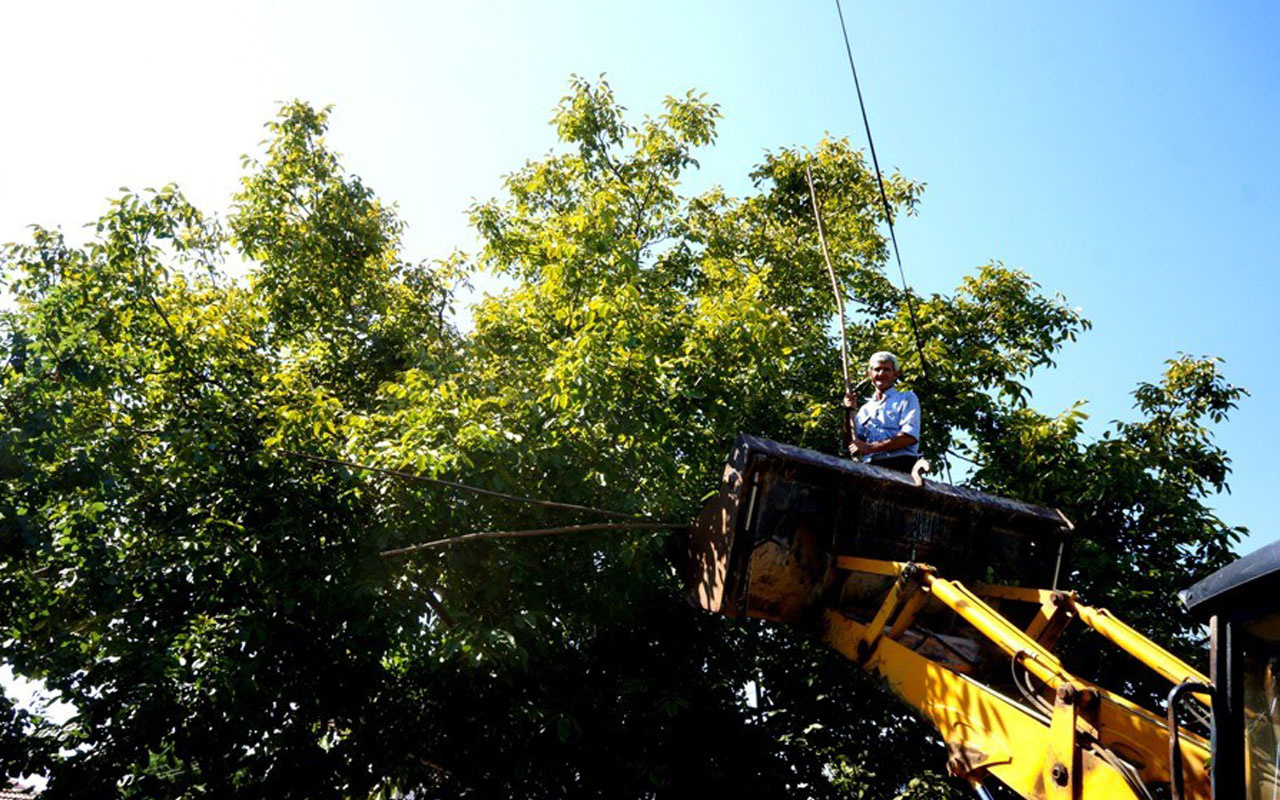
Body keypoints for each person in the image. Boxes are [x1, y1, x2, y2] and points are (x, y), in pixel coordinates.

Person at [842, 352, 921, 474]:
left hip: (900, 464)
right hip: (870, 467)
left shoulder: (906, 398)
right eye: (877, 369)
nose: (881, 374)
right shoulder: (865, 409)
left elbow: (909, 437)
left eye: (887, 370)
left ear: (895, 375)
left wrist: (870, 448)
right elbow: (851, 444)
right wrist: (848, 412)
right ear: (870, 374)